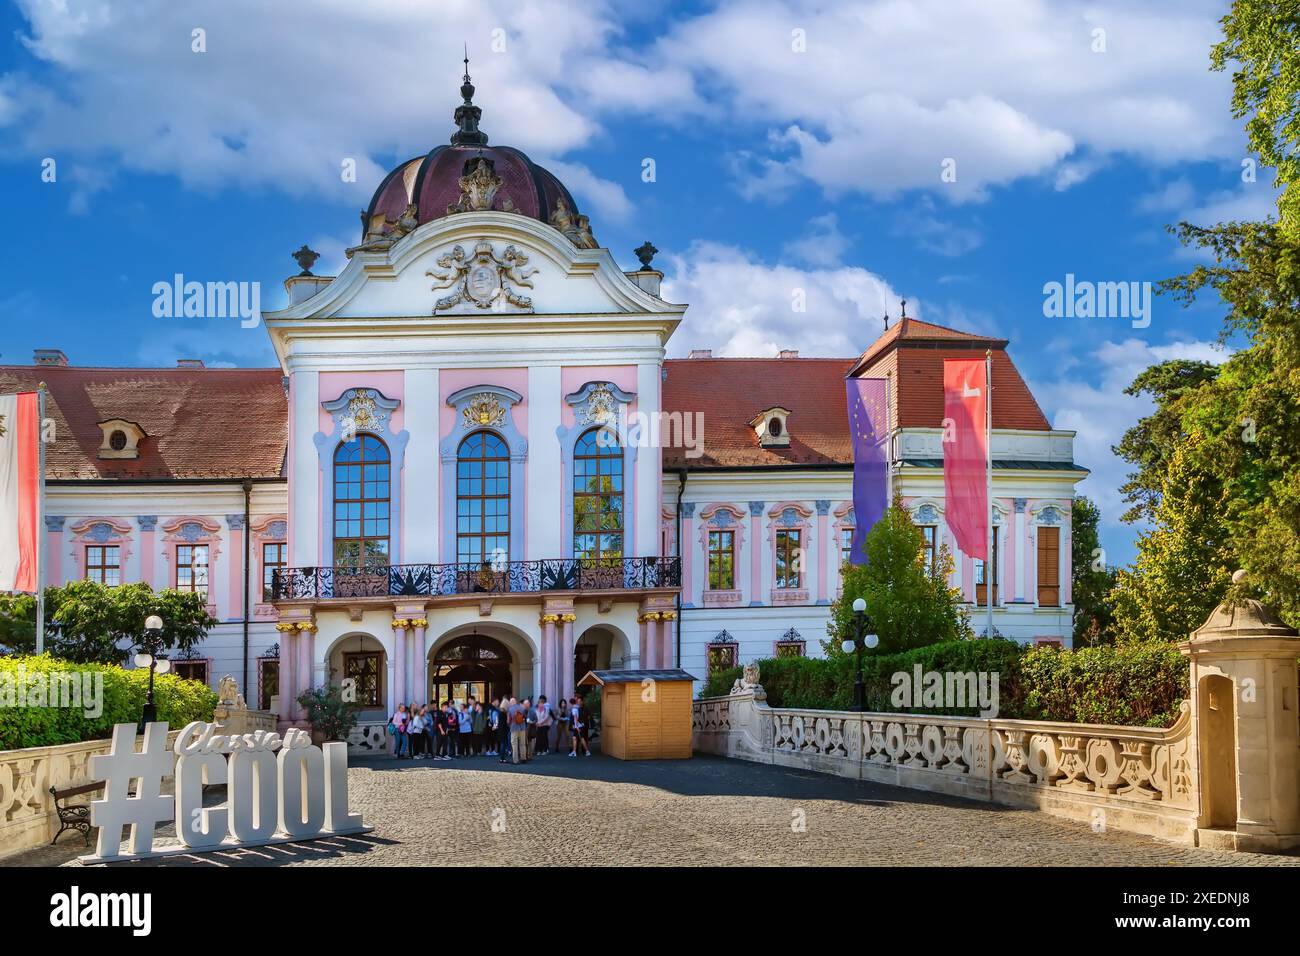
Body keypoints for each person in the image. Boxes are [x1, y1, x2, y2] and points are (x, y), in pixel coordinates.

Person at [509, 696, 529, 764]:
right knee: (522, 744)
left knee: (514, 744)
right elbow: (525, 718)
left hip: (514, 728)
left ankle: (515, 760)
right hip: (522, 728)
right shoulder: (522, 708)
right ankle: (523, 758)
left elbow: (508, 720)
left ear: (511, 702)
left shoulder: (510, 709)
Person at [498, 696, 515, 763]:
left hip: (501, 730)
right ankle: (502, 758)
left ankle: (502, 758)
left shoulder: (500, 713)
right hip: (504, 730)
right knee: (504, 744)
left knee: (503, 744)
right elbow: (507, 722)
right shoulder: (504, 714)